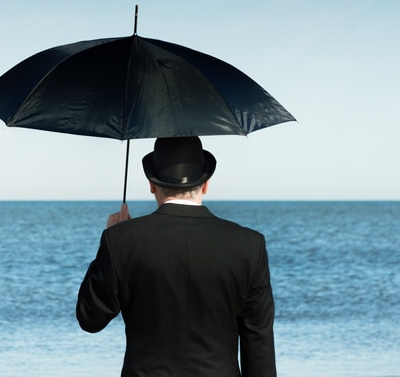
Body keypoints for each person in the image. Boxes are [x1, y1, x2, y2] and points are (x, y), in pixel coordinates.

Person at [76, 136, 276, 377]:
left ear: (152, 184)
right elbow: (258, 344)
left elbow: (90, 319)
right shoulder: (249, 245)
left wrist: (111, 237)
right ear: (205, 185)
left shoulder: (121, 240)